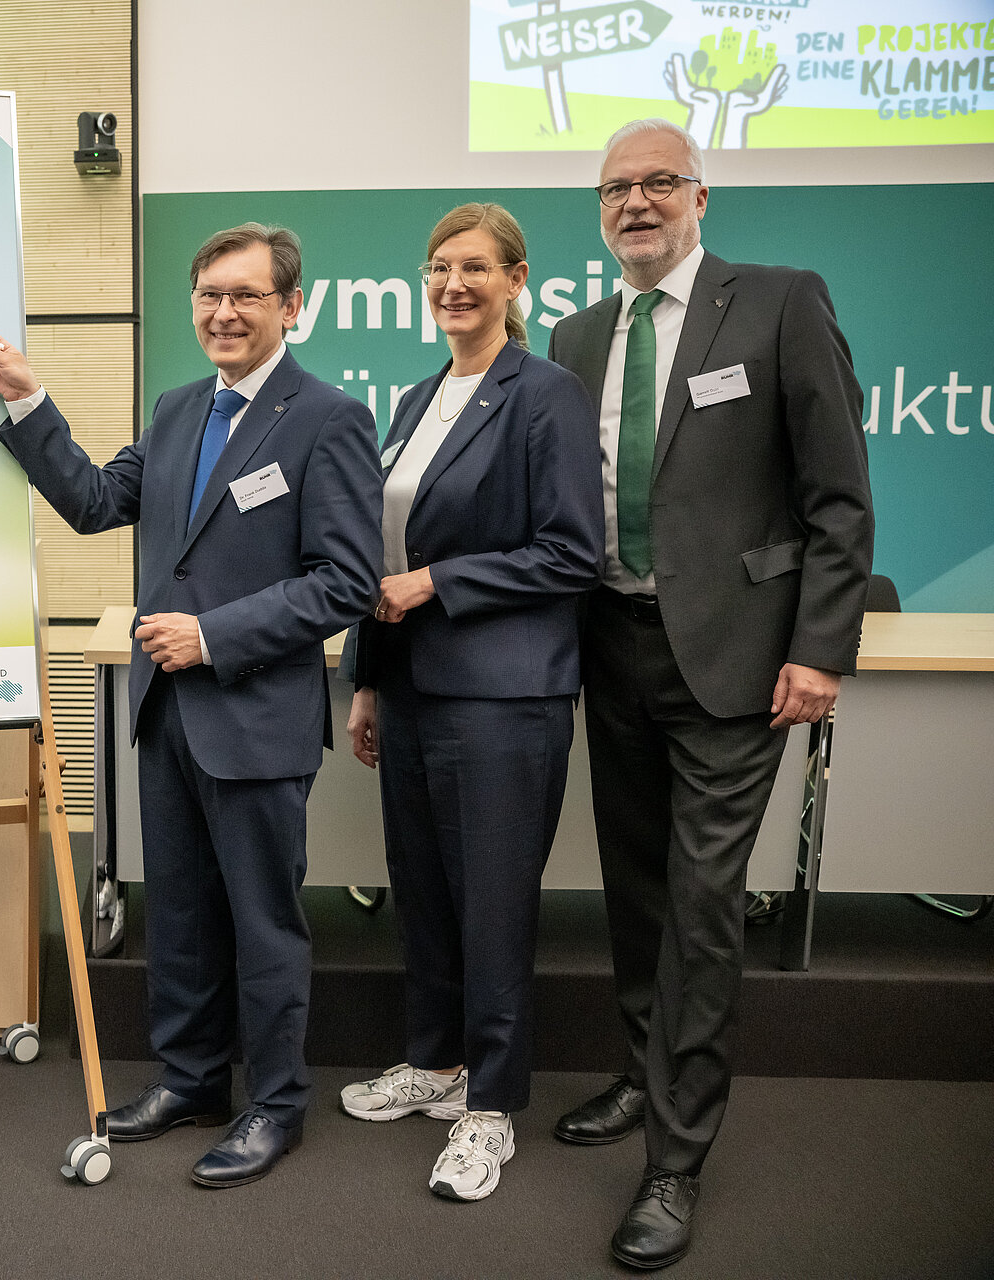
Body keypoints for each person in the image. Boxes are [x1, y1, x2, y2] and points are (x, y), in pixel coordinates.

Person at [0, 223, 382, 1187]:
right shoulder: (179, 407)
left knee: (264, 923)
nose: (223, 314)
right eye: (208, 297)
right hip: (167, 715)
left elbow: (344, 581)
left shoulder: (330, 418)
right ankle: (192, 1079)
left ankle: (275, 1105)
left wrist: (213, 634)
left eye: (245, 296)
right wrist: (28, 399)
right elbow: (99, 500)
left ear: (290, 307)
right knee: (182, 914)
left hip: (256, 716)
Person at [547, 120, 873, 1269]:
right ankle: (641, 1073)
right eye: (615, 189)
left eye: (658, 184)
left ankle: (676, 1160)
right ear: (600, 212)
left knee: (700, 904)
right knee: (635, 892)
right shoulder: (577, 335)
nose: (636, 203)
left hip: (737, 657)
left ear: (700, 197)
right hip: (611, 647)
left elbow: (838, 495)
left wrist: (821, 647)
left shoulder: (778, 302)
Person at [335, 203, 602, 1202]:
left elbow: (572, 550)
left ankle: (489, 1109)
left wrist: (443, 581)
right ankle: (438, 1066)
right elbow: (381, 557)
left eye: (477, 267)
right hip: (411, 690)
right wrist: (367, 677)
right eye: (441, 266)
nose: (455, 283)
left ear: (517, 280)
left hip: (504, 694)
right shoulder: (413, 398)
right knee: (428, 894)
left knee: (492, 903)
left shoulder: (547, 395)